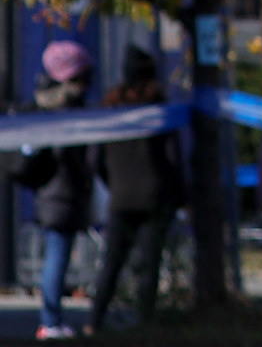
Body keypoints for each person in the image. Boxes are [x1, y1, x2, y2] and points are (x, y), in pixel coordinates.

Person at [87, 47, 185, 336]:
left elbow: (96, 160)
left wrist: (113, 182)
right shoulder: (159, 109)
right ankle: (145, 323)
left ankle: (94, 321)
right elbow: (173, 158)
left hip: (121, 197)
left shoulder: (111, 109)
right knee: (149, 264)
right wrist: (182, 196)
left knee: (111, 264)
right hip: (156, 196)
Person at [15, 38, 94, 339]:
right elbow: (74, 155)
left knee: (55, 254)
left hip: (48, 192)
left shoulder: (43, 102)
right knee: (58, 257)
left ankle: (51, 320)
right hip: (64, 193)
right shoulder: (70, 107)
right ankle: (50, 321)